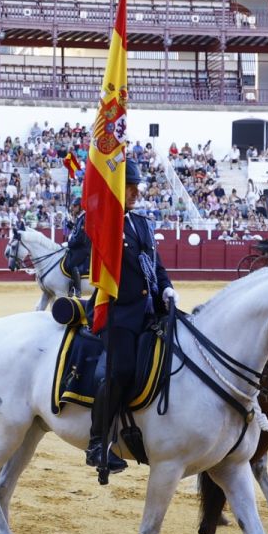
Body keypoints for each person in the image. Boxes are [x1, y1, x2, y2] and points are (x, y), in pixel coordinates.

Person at [87, 181, 173, 480]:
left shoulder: (142, 224)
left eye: (138, 187)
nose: (136, 193)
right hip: (118, 313)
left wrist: (167, 289)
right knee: (120, 371)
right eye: (129, 187)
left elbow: (156, 266)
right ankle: (97, 443)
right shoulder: (102, 222)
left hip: (151, 311)